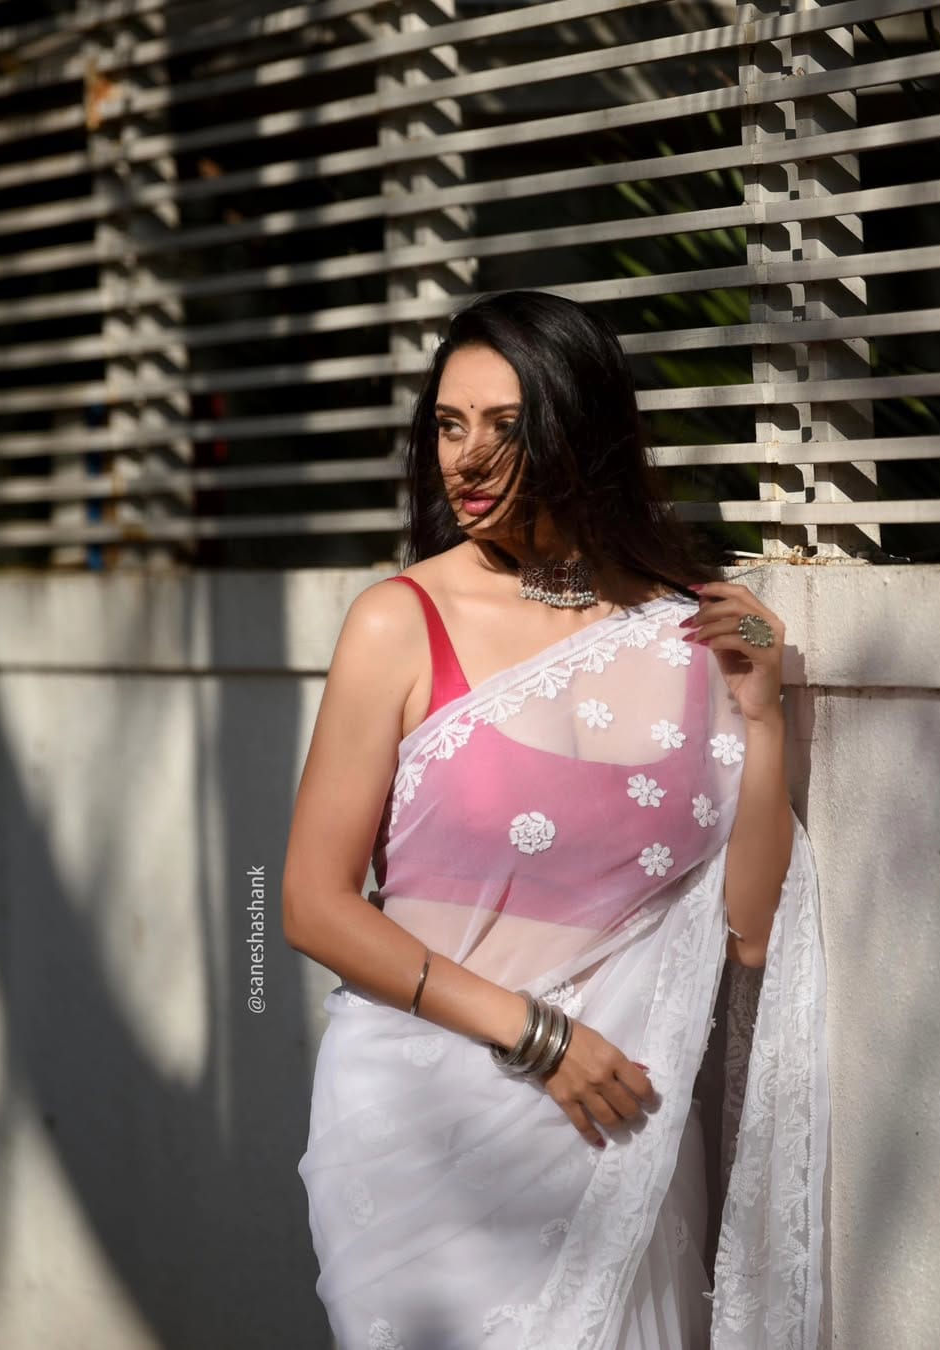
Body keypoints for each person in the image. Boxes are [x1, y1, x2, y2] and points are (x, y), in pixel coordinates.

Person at [282, 290, 828, 1350]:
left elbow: (751, 931)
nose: (469, 458)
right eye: (450, 425)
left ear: (581, 430)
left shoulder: (687, 630)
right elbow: (303, 904)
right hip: (429, 1125)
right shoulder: (400, 622)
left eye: (506, 425)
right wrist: (540, 1039)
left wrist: (763, 716)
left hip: (617, 1127)